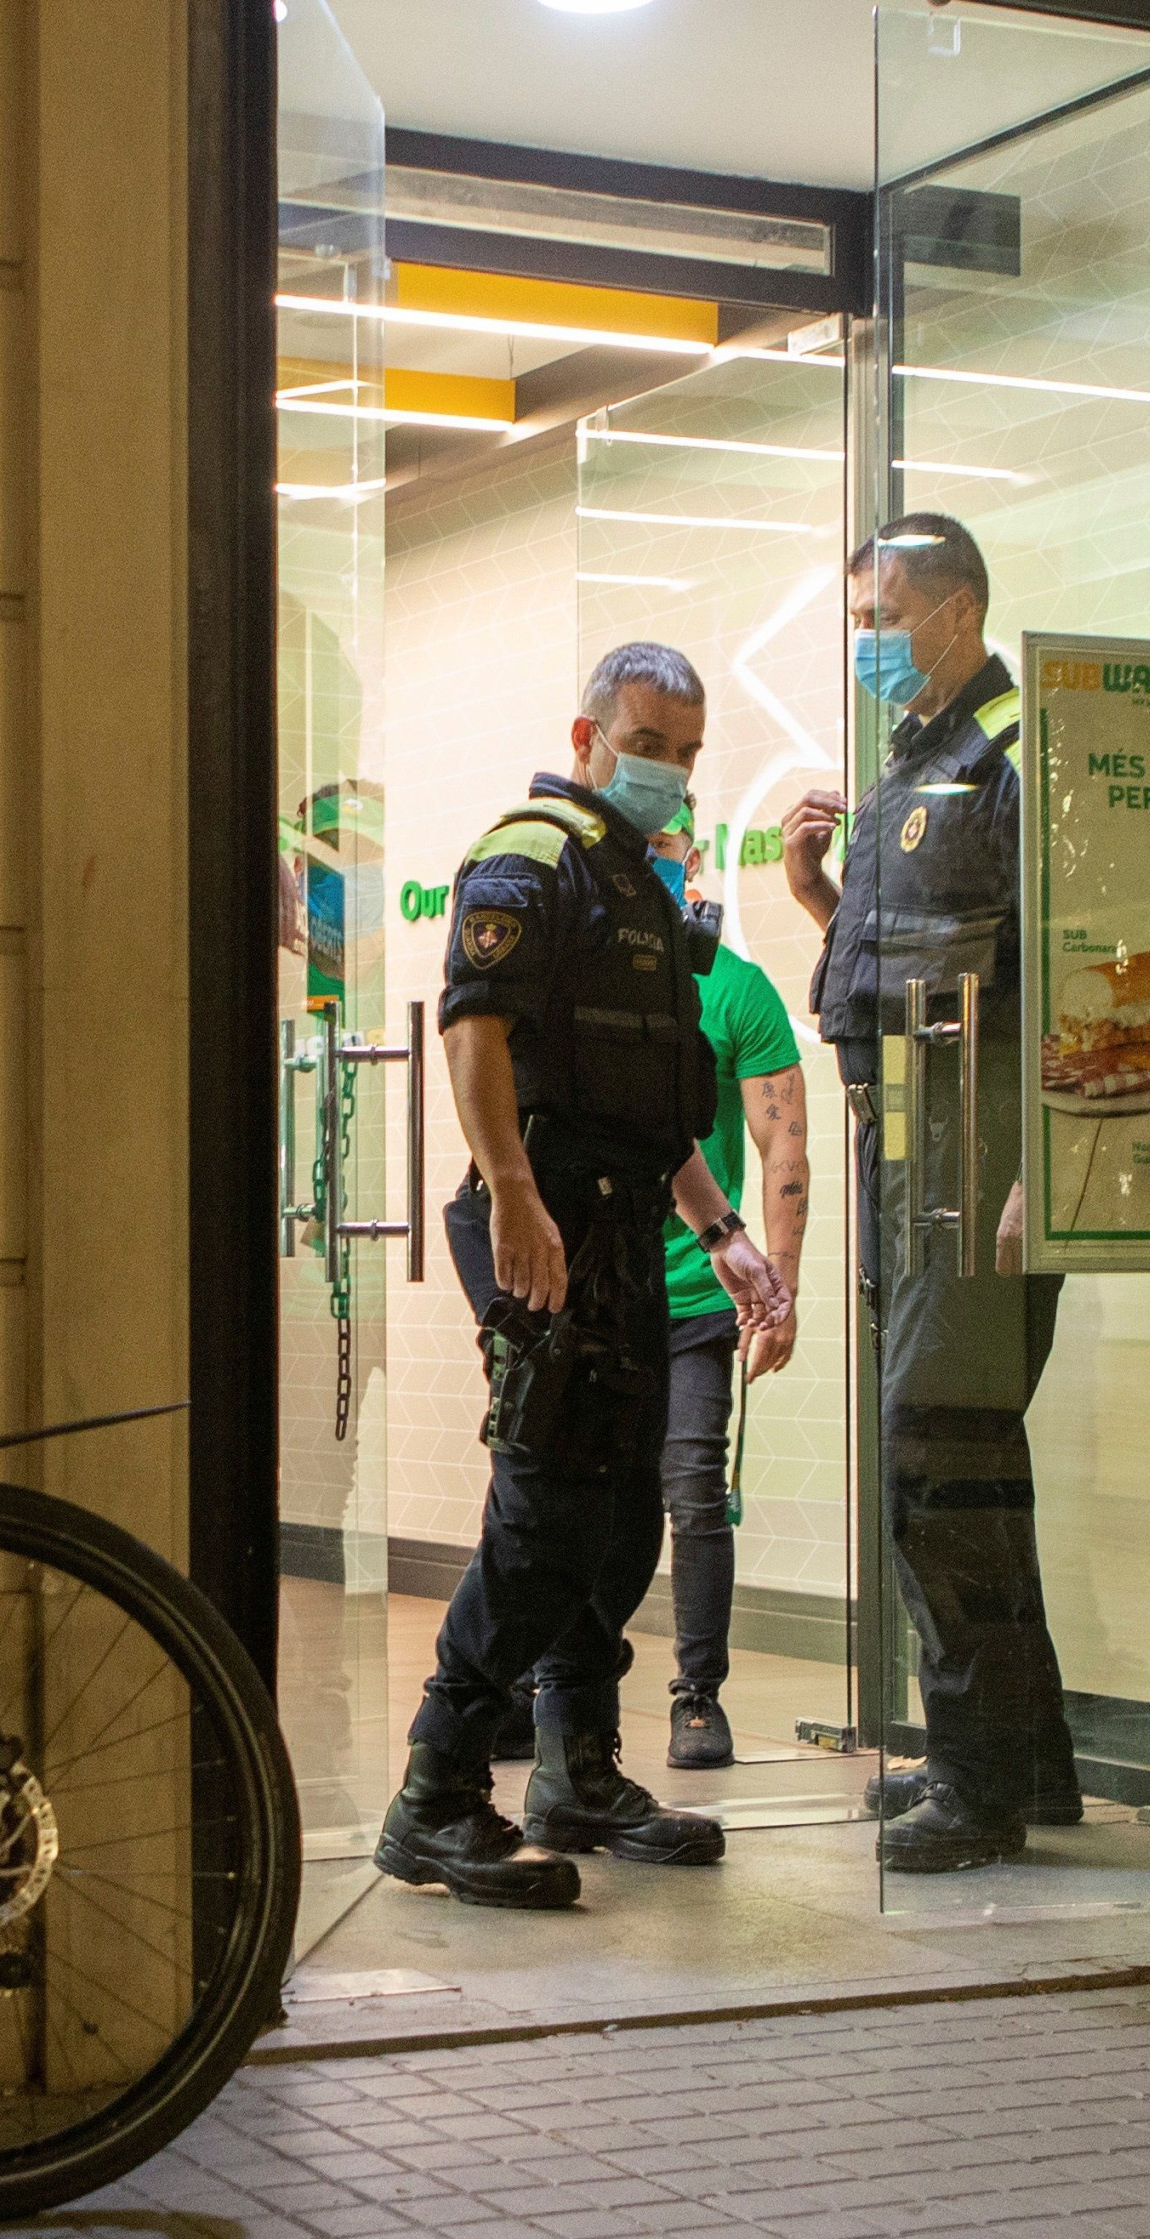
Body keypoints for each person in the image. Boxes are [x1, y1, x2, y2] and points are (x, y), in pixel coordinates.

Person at [379, 641, 790, 1912]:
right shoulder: (534, 854)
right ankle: (437, 1791)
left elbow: (649, 1103)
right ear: (587, 736)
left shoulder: (638, 879)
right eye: (647, 744)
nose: (667, 769)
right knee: (547, 1504)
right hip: (541, 1214)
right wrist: (511, 1189)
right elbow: (472, 1030)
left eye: (685, 752)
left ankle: (576, 1771)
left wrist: (724, 1233)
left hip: (622, 1224)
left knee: (618, 1514)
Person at [780, 514, 1081, 1874]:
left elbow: (1072, 971)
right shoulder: (919, 760)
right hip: (909, 1148)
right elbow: (911, 973)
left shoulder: (1015, 759)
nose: (867, 641)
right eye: (857, 618)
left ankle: (976, 1780)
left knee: (935, 1456)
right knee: (966, 1457)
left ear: (958, 610)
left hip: (978, 1158)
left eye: (883, 615)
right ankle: (1028, 1761)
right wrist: (815, 894)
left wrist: (1040, 1172)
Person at [653, 872, 809, 1771]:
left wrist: (779, 1286)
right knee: (575, 1494)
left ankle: (697, 1697)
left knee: (695, 1493)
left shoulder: (737, 989)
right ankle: (548, 1692)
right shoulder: (578, 973)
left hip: (698, 1296)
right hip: (590, 1288)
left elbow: (783, 1141)